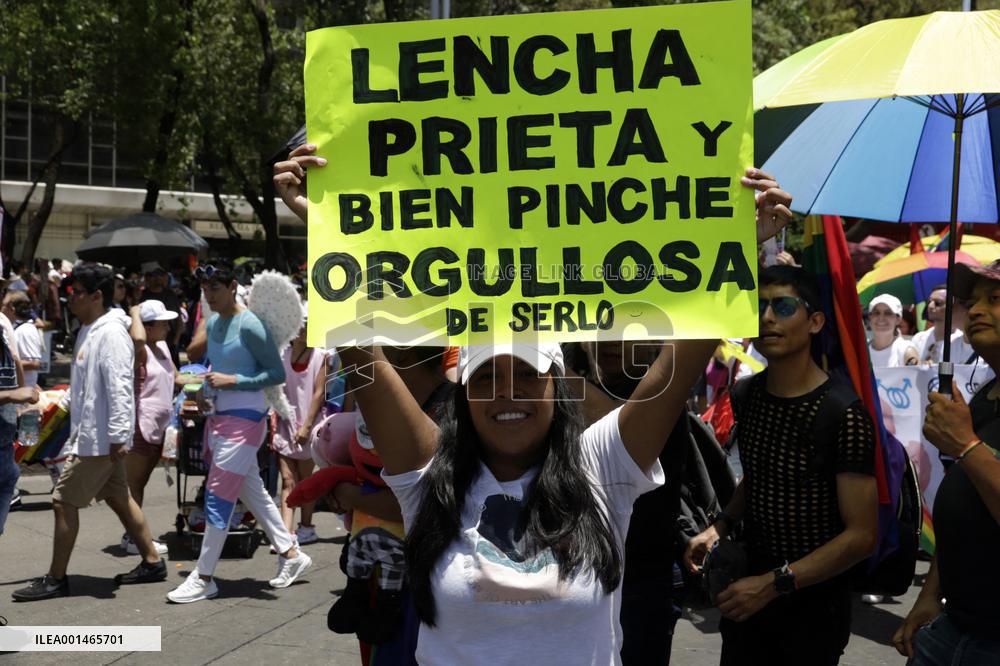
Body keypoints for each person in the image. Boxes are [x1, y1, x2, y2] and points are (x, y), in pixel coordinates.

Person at [684, 266, 879, 666]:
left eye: (784, 306)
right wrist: (718, 526)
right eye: (759, 306)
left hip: (813, 607)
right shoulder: (745, 394)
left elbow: (861, 536)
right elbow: (761, 474)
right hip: (746, 598)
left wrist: (773, 585)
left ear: (815, 322)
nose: (767, 317)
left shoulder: (843, 413)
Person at [13, 264, 167, 601]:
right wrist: (51, 403)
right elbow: (82, 387)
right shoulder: (89, 329)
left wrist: (118, 436)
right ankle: (153, 562)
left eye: (77, 293)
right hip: (95, 436)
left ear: (97, 296)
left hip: (100, 440)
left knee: (62, 501)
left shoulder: (111, 333)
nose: (70, 300)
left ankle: (56, 579)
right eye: (69, 293)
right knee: (119, 498)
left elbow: (120, 388)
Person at [169, 262, 310, 603]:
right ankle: (291, 553)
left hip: (246, 421)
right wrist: (202, 392)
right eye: (204, 290)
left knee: (217, 496)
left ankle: (204, 577)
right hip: (219, 418)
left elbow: (276, 373)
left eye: (214, 289)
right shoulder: (216, 322)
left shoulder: (251, 324)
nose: (209, 296)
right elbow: (214, 368)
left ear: (233, 286)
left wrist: (234, 381)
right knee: (253, 492)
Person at [892, 259, 1000, 664]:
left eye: (994, 298)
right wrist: (930, 595)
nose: (973, 311)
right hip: (952, 628)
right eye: (970, 302)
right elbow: (966, 514)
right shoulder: (986, 396)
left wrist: (966, 444)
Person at [120, 300, 180, 556]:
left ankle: (133, 535)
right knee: (134, 485)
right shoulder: (139, 350)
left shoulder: (163, 346)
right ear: (146, 327)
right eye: (162, 323)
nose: (168, 327)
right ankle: (135, 538)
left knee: (140, 484)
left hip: (160, 427)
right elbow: (136, 340)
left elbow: (177, 377)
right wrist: (134, 312)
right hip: (140, 425)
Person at [272, 307, 327, 545]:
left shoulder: (321, 356)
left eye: (308, 323)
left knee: (305, 481)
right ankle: (286, 533)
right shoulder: (281, 354)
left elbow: (319, 393)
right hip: (285, 424)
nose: (304, 328)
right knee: (287, 480)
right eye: (300, 323)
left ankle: (306, 527)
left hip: (310, 425)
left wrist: (306, 427)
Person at [141, 262, 183, 367]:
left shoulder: (171, 295)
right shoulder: (142, 296)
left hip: (170, 343)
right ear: (147, 278)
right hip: (151, 345)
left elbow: (179, 320)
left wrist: (175, 341)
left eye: (161, 275)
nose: (158, 278)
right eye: (153, 275)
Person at [912, 286, 968, 364]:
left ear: (953, 306)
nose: (930, 306)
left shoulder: (961, 340)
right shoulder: (919, 338)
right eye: (929, 302)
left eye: (938, 303)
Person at [3, 291, 43, 387]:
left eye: (4, 306)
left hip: (21, 392)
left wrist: (5, 364)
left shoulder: (25, 330)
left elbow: (34, 363)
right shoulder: (19, 329)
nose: (1, 309)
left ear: (11, 308)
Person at [866, 294, 918, 367]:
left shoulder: (906, 350)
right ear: (870, 317)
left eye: (888, 313)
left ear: (898, 319)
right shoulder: (862, 352)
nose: (881, 318)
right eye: (876, 313)